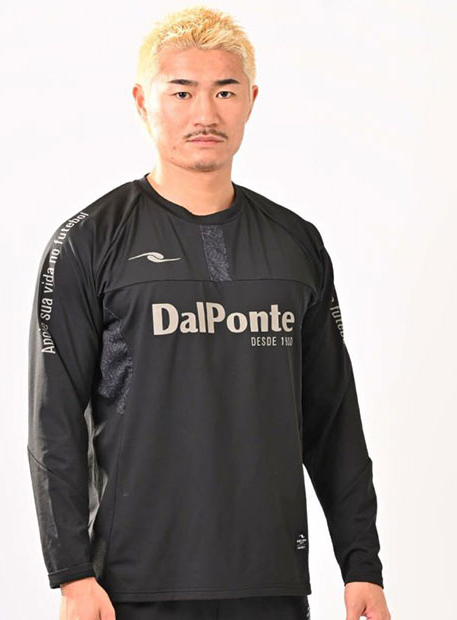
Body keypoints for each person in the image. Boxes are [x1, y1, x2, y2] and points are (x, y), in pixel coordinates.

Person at [27, 6, 391, 620]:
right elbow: (53, 420)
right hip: (133, 587)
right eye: (182, 91)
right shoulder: (89, 241)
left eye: (224, 91)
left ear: (250, 100)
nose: (205, 113)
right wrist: (71, 575)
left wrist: (362, 565)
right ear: (142, 101)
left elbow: (333, 420)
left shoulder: (295, 243)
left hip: (271, 583)